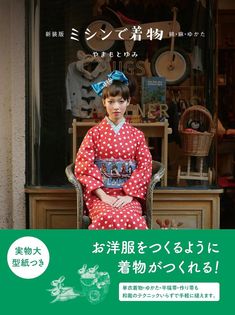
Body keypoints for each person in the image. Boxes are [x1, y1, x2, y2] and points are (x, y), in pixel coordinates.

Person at [74, 70, 152, 229]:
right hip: (101, 195)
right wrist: (103, 196)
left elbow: (145, 166)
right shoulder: (94, 133)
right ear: (104, 102)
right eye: (111, 101)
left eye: (121, 101)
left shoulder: (137, 135)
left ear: (128, 101)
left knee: (133, 218)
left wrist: (130, 196)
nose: (116, 107)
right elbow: (84, 165)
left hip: (128, 195)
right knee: (107, 215)